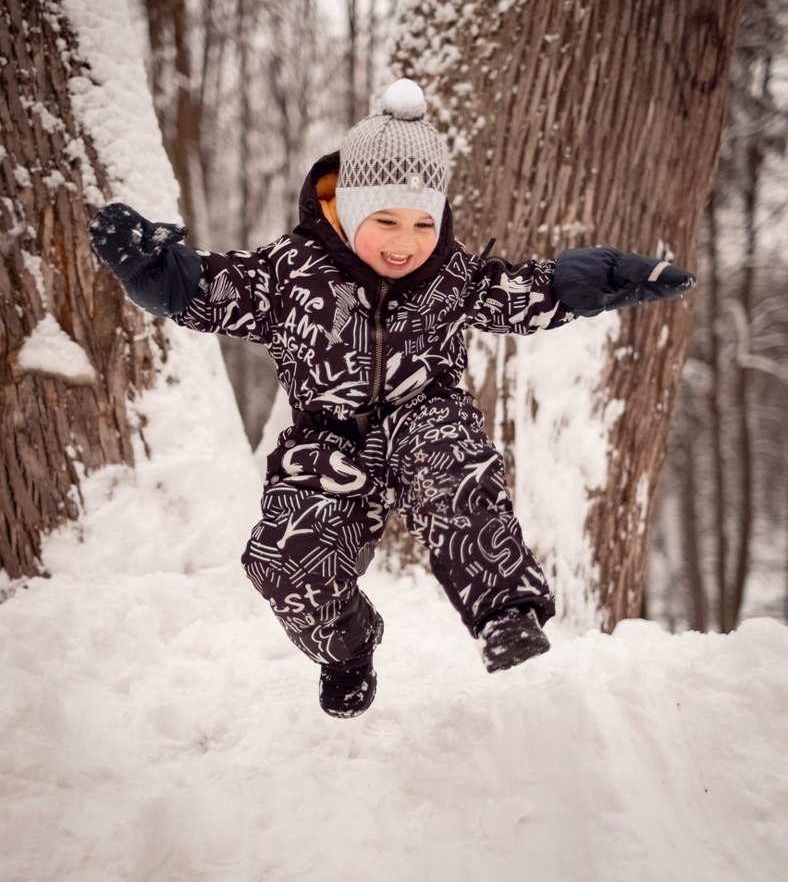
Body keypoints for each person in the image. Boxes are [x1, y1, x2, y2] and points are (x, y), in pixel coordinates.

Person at [89, 79, 695, 718]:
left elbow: (526, 293)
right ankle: (348, 645)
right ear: (348, 212)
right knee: (282, 563)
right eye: (385, 222)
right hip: (329, 442)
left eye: (421, 223)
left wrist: (594, 280)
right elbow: (213, 290)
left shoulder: (452, 275)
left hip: (423, 416)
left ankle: (506, 613)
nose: (404, 242)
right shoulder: (288, 272)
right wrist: (156, 273)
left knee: (452, 470)